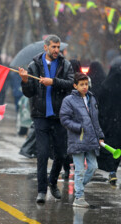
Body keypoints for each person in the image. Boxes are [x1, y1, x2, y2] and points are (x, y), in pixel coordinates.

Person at [18, 34, 73, 204]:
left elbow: (71, 84)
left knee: (61, 154)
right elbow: (29, 93)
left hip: (59, 116)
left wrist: (53, 82)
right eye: (53, 47)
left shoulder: (65, 64)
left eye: (58, 47)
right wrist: (25, 80)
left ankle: (52, 182)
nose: (57, 50)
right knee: (41, 154)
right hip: (40, 116)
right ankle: (41, 191)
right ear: (46, 47)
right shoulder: (34, 66)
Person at [59, 72, 105, 208]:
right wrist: (79, 128)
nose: (85, 87)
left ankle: (79, 187)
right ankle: (79, 197)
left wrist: (100, 135)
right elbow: (64, 119)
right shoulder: (69, 100)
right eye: (81, 84)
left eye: (86, 84)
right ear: (75, 86)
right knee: (79, 170)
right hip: (77, 140)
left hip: (91, 140)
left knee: (93, 167)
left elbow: (95, 120)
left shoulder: (92, 98)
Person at [97, 64, 121, 184]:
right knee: (117, 148)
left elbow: (99, 105)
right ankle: (113, 170)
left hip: (106, 124)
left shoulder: (104, 86)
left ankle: (109, 169)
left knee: (107, 146)